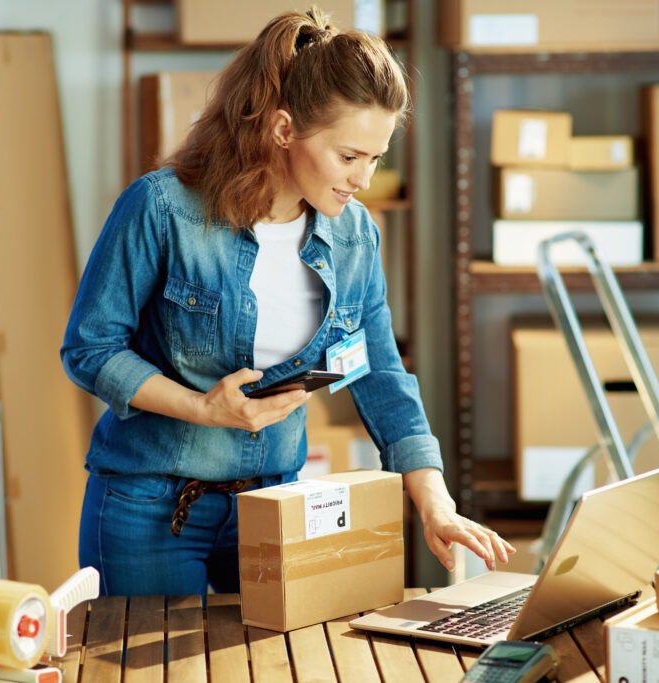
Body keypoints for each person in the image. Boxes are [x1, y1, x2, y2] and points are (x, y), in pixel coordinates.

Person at [61, 6, 515, 598]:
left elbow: (376, 369)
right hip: (151, 508)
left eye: (376, 158)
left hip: (273, 509)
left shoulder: (354, 236)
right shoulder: (163, 208)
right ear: (283, 130)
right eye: (349, 157)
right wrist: (204, 408)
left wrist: (434, 502)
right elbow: (91, 349)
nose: (364, 180)